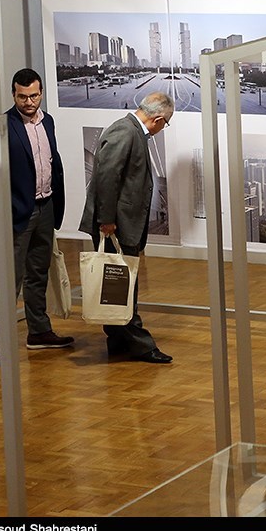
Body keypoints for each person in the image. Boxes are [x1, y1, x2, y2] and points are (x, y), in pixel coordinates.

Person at [0, 68, 74, 366]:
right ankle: (4, 344)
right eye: (22, 97)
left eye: (33, 96)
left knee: (38, 274)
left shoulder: (48, 121)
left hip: (46, 207)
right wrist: (4, 212)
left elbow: (51, 163)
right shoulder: (0, 128)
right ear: (13, 95)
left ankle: (39, 332)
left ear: (41, 93)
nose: (28, 102)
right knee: (11, 280)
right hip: (18, 214)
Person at [78, 92, 174, 364]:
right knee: (124, 284)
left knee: (116, 284)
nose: (163, 128)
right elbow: (107, 177)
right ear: (158, 119)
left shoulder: (132, 131)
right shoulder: (125, 131)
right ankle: (141, 345)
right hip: (115, 225)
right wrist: (106, 219)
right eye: (166, 124)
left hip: (119, 223)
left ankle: (118, 340)